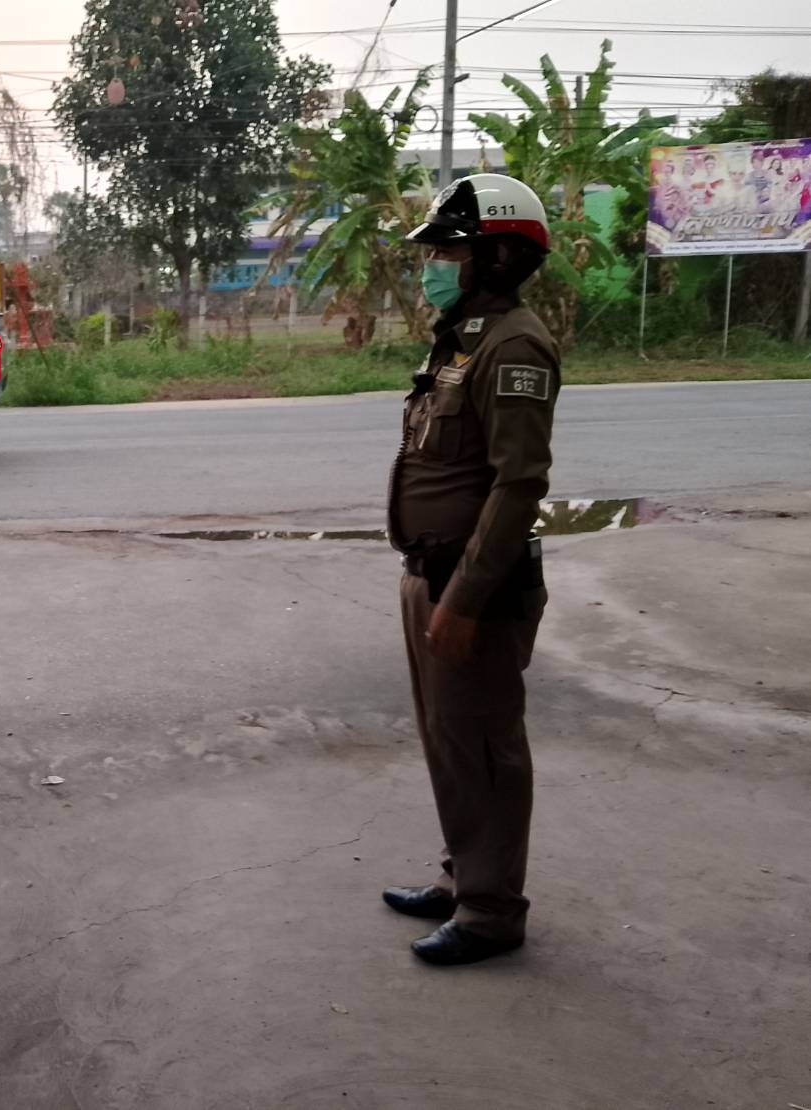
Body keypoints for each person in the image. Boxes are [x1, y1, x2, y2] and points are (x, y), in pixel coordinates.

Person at [382, 173, 560, 966]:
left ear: (498, 258)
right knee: (449, 739)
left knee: (485, 746)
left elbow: (518, 485)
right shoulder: (462, 339)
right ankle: (463, 875)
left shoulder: (514, 345)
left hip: (473, 587)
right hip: (431, 572)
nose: (434, 265)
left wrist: (462, 599)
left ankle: (491, 912)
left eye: (449, 252)